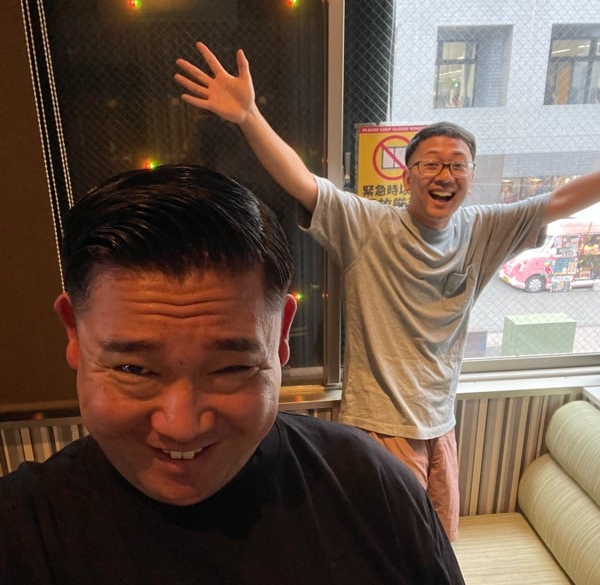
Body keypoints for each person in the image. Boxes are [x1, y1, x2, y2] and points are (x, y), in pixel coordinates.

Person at [174, 42, 600, 541]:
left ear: (471, 176)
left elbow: (562, 199)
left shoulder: (484, 230)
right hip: (379, 425)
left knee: (439, 545)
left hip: (441, 425)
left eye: (458, 165)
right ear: (407, 174)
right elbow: (301, 181)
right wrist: (249, 116)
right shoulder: (368, 225)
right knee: (384, 544)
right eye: (431, 164)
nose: (445, 175)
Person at [0, 164, 464, 584]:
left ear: (281, 335)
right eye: (134, 369)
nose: (181, 426)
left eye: (230, 368)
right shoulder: (22, 530)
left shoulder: (370, 487)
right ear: (74, 333)